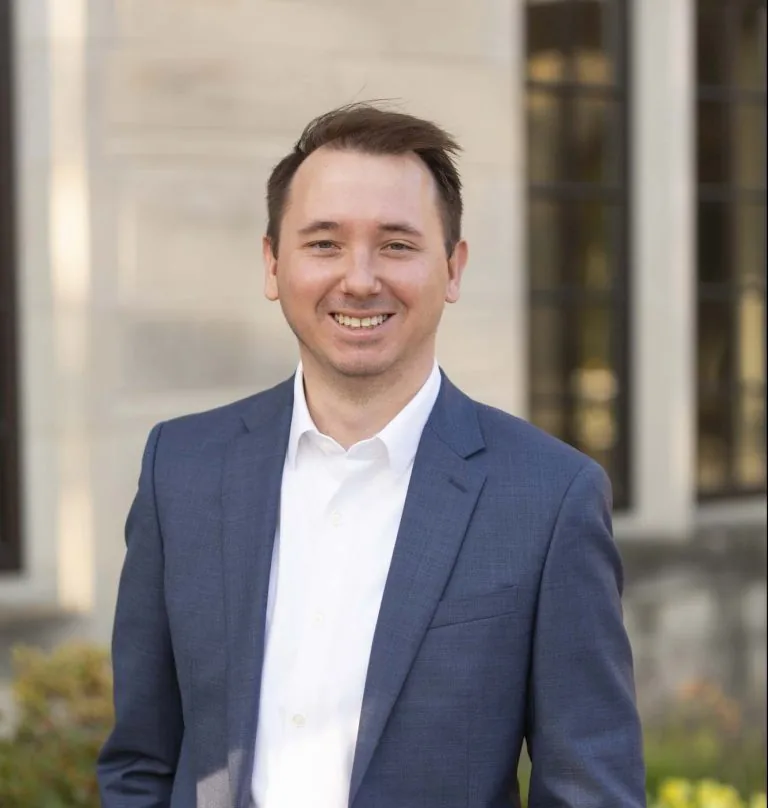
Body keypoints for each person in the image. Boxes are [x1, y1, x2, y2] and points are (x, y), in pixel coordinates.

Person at [97, 103, 646, 808]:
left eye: (396, 244)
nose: (359, 279)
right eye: (323, 243)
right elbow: (141, 762)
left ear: (452, 267)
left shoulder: (548, 497)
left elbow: (590, 791)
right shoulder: (182, 468)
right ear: (272, 263)